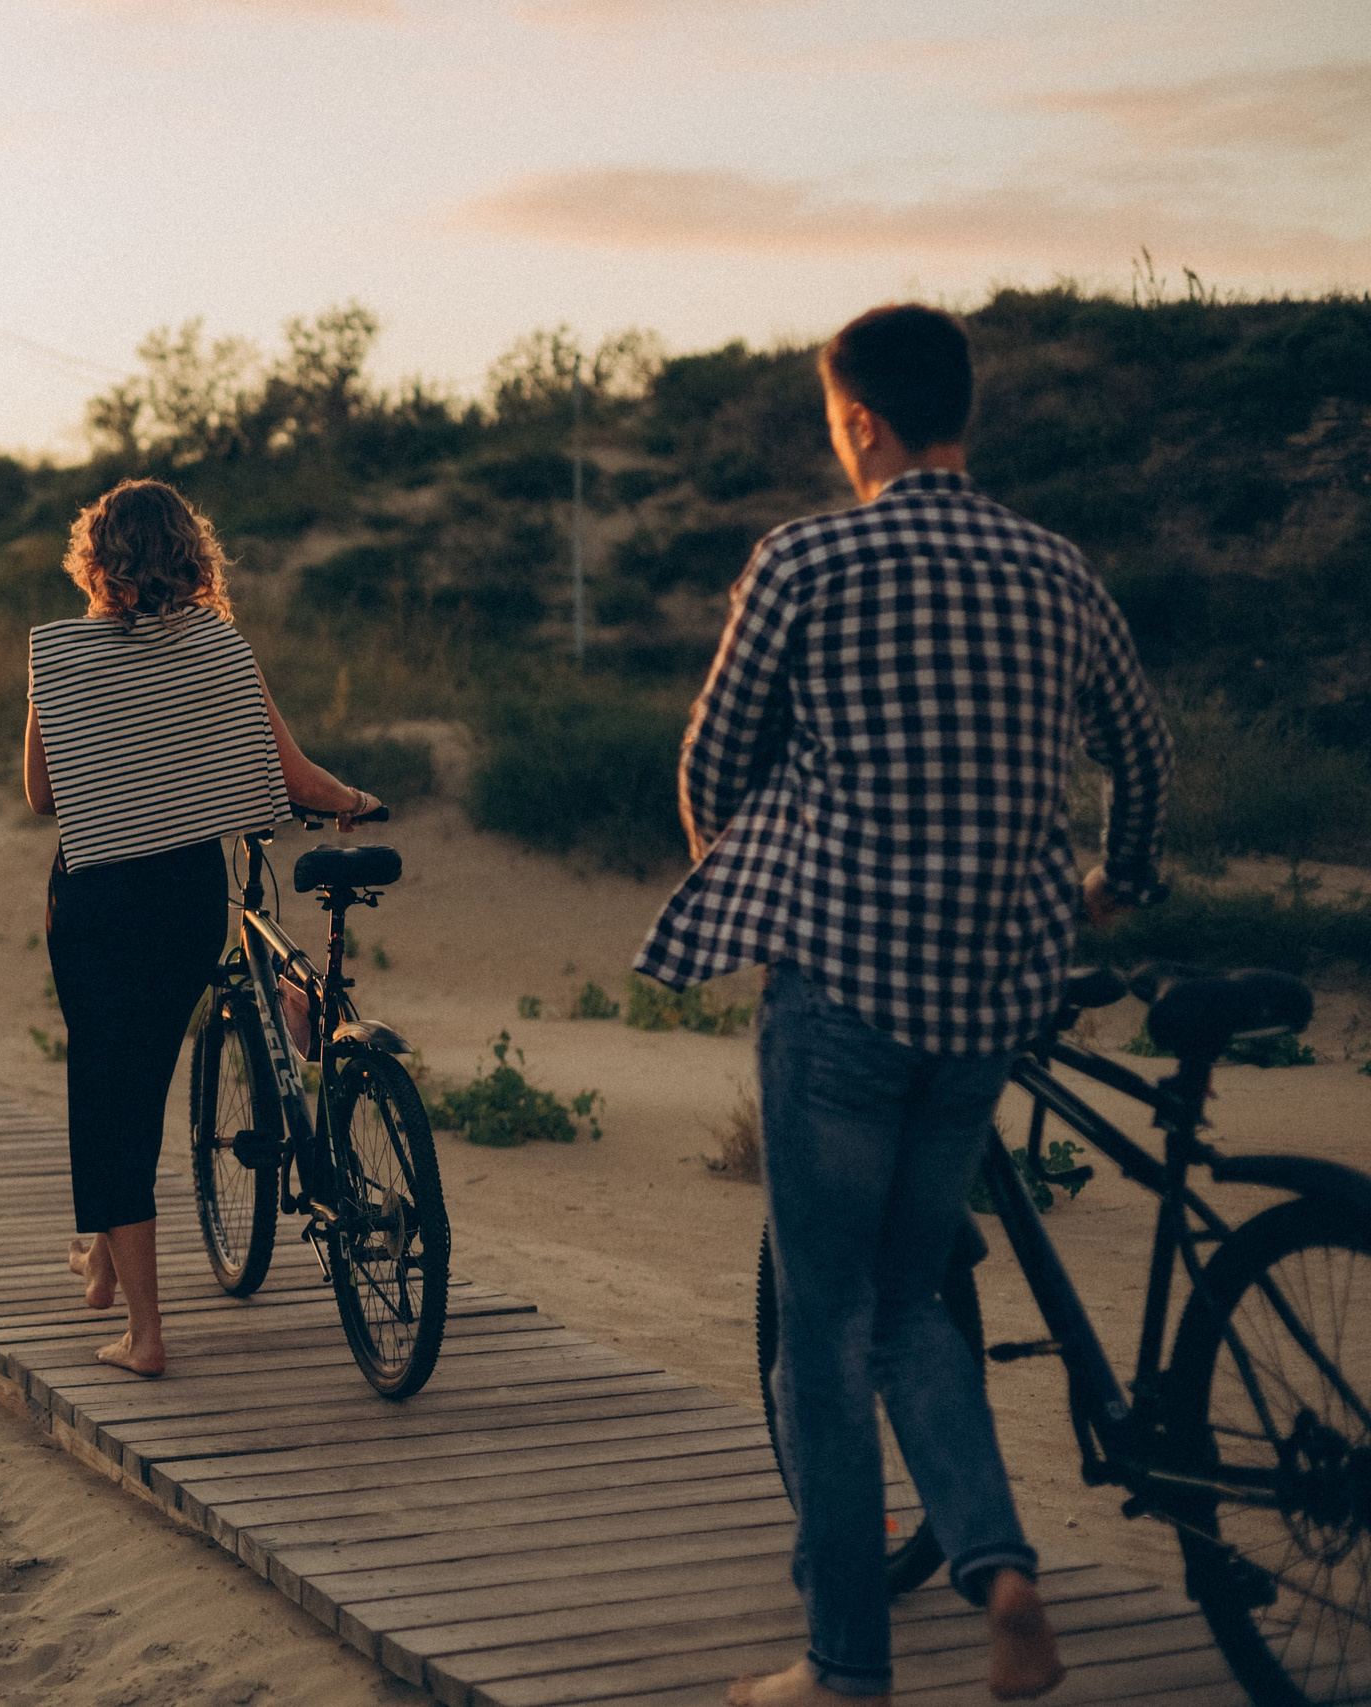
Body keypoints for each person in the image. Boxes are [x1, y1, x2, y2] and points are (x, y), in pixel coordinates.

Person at [636, 304, 1171, 1707]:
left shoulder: (810, 554)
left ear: (860, 419)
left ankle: (847, 1662)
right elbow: (1144, 750)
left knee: (827, 1320)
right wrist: (1114, 880)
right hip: (989, 997)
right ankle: (999, 1572)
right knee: (911, 1295)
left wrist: (754, 877)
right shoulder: (1055, 566)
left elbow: (713, 760)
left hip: (845, 997)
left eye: (833, 419)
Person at [24, 478, 377, 1377]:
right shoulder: (220, 649)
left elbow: (40, 795)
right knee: (141, 1075)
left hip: (97, 896)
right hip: (186, 897)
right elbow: (293, 773)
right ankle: (104, 1259)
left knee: (112, 1095)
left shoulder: (61, 657)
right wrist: (352, 801)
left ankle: (144, 1333)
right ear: (193, 554)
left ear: (95, 561)